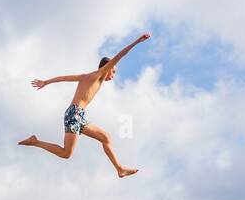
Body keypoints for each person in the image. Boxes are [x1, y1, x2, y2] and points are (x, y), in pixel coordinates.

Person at [18, 32, 150, 178]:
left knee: (94, 142)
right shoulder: (100, 73)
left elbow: (64, 78)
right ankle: (35, 142)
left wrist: (47, 82)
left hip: (75, 114)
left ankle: (119, 169)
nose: (113, 75)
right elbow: (119, 56)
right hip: (75, 113)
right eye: (114, 71)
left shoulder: (86, 76)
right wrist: (138, 41)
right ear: (108, 67)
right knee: (72, 151)